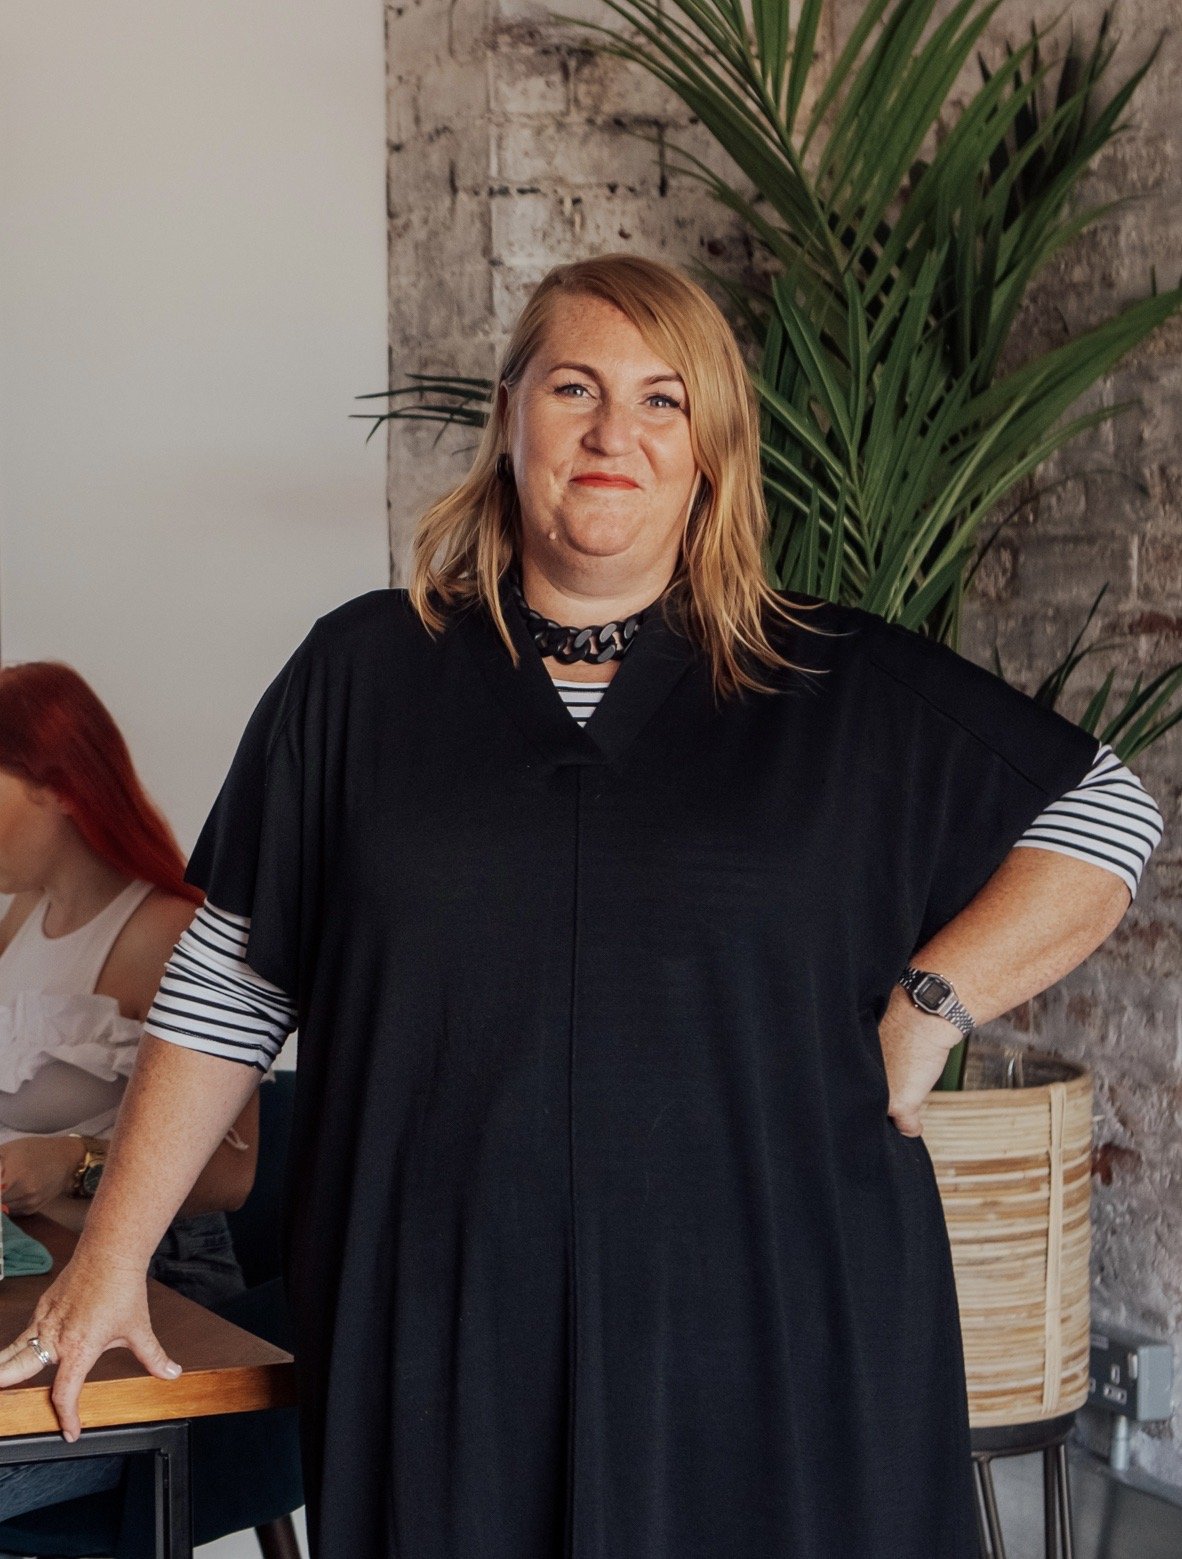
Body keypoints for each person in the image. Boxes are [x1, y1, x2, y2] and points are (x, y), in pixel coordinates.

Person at [0, 253, 1164, 1558]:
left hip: (775, 1322)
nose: (616, 431)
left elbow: (1103, 811)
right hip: (445, 1329)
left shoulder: (834, 681)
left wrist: (932, 1004)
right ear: (509, 415)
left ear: (711, 450)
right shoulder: (361, 674)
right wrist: (108, 1256)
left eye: (664, 399)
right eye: (575, 388)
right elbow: (231, 980)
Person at [0, 660, 260, 1523]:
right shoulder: (17, 920)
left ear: (54, 785)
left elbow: (232, 1174)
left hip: (156, 1286)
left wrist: (71, 1160)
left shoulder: (169, 932)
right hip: (33, 1265)